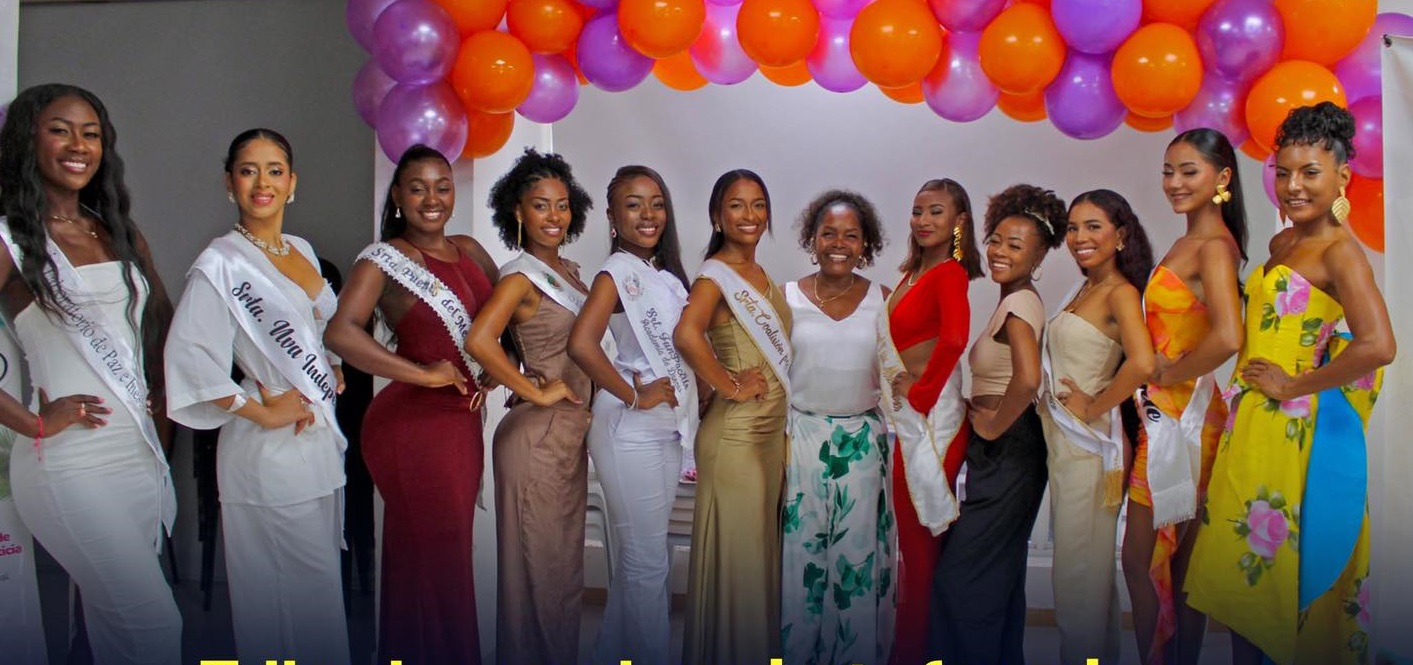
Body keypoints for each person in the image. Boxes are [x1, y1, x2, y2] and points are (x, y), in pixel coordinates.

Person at [1186, 102, 1396, 665]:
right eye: (1282, 172)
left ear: (1342, 177)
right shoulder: (1283, 244)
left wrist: (1295, 384)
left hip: (1289, 438)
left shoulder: (1341, 253)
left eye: (1309, 172)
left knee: (1271, 580)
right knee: (1238, 581)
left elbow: (1380, 345)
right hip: (1248, 423)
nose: (1292, 186)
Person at [0, 83, 181, 665]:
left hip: (135, 458)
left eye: (91, 133)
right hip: (67, 467)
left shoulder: (119, 233)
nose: (78, 145)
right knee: (154, 623)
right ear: (28, 139)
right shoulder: (10, 239)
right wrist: (30, 420)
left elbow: (158, 332)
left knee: (117, 632)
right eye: (59, 129)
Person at [165, 128, 349, 664]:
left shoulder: (302, 251)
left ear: (292, 183)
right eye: (248, 170)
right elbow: (191, 360)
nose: (262, 182)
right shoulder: (221, 264)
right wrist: (263, 413)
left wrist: (332, 365)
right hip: (266, 452)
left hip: (315, 445)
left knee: (314, 597)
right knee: (279, 606)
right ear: (230, 183)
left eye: (274, 170)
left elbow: (320, 328)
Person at [324, 144, 500, 664]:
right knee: (440, 559)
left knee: (426, 558)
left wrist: (500, 365)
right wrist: (421, 373)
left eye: (442, 187)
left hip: (459, 425)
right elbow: (340, 332)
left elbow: (499, 323)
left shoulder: (470, 250)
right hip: (414, 428)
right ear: (398, 196)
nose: (432, 198)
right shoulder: (387, 260)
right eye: (418, 187)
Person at [929, 184, 1065, 665]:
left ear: (1038, 256)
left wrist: (990, 428)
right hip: (1008, 452)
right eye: (997, 240)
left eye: (1016, 246)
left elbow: (1027, 381)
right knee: (997, 578)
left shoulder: (1020, 304)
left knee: (962, 579)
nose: (999, 251)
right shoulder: (1012, 299)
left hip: (1011, 451)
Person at [466, 148, 592, 665]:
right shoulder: (520, 277)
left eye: (562, 205)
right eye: (541, 206)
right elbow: (480, 339)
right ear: (518, 211)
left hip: (567, 437)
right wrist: (534, 388)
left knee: (560, 576)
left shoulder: (567, 269)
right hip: (537, 437)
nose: (554, 217)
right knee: (536, 578)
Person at [1124, 128, 1245, 665]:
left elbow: (1229, 335)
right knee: (1170, 563)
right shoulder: (1186, 242)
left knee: (1146, 559)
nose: (1173, 182)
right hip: (1164, 418)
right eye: (1168, 171)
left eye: (1187, 171)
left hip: (1183, 423)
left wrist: (1173, 372)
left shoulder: (1215, 246)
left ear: (1222, 179)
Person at [567, 165, 695, 665]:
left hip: (662, 430)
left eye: (657, 202)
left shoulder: (663, 276)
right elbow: (582, 344)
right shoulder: (616, 272)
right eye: (634, 203)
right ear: (613, 217)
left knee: (646, 559)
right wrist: (633, 393)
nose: (649, 214)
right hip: (628, 429)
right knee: (646, 565)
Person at [675, 169, 790, 665]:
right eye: (737, 205)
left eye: (758, 204)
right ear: (718, 215)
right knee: (741, 564)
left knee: (758, 562)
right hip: (736, 439)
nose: (750, 215)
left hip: (767, 439)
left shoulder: (761, 275)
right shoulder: (714, 274)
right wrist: (729, 384)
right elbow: (686, 334)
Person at [1041, 189, 1156, 665]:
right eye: (1072, 228)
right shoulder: (1085, 288)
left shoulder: (1121, 293)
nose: (1079, 237)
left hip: (1089, 453)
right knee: (1086, 581)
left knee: (1077, 581)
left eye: (1093, 227)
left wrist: (1094, 406)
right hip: (1065, 454)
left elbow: (1143, 364)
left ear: (1121, 235)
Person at [780, 189, 893, 665]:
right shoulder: (785, 298)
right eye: (829, 233)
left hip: (862, 443)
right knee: (802, 563)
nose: (839, 243)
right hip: (802, 439)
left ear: (865, 243)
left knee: (856, 564)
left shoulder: (882, 300)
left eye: (851, 235)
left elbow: (898, 373)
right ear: (813, 238)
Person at [880, 178, 983, 665]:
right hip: (909, 421)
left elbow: (954, 340)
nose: (923, 220)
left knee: (921, 554)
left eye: (936, 212)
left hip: (934, 423)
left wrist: (920, 395)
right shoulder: (912, 274)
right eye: (918, 210)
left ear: (958, 222)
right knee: (913, 553)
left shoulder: (949, 274)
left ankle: (918, 653)